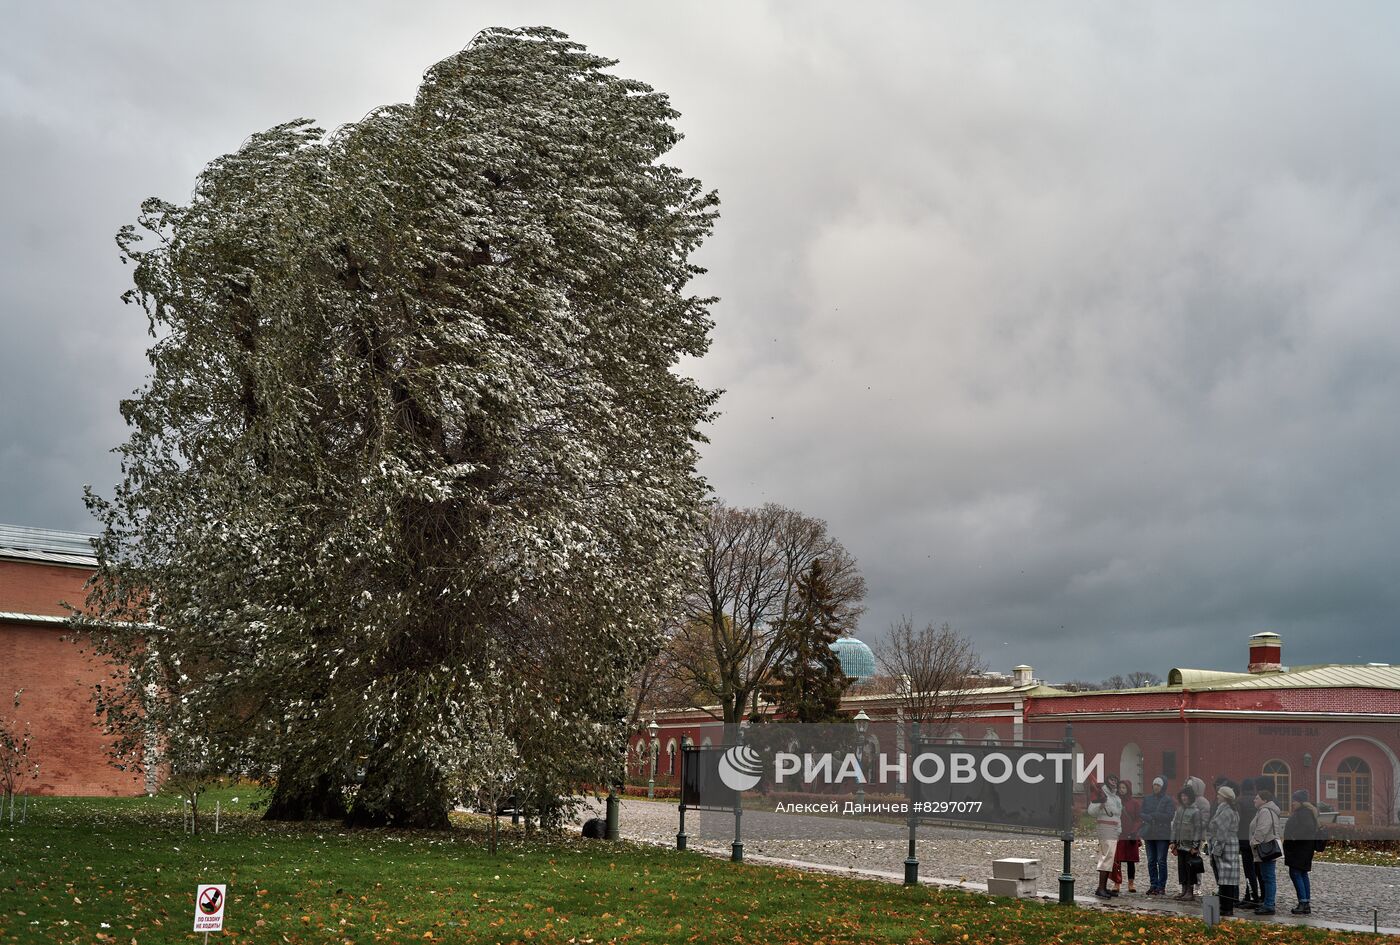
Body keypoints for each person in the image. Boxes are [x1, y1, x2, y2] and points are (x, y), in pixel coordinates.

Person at [1283, 789, 1319, 915]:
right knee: (1302, 874)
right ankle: (1305, 902)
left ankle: (1303, 903)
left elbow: (1306, 829)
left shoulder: (1304, 813)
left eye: (1295, 800)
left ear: (1300, 802)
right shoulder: (1306, 812)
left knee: (1296, 874)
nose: (1292, 803)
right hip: (1303, 849)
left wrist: (1294, 837)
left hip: (1299, 850)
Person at [1087, 775, 1123, 899]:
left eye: (1115, 780)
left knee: (1109, 859)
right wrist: (1100, 806)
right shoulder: (1101, 796)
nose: (1114, 782)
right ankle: (1101, 887)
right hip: (1104, 828)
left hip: (1113, 829)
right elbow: (1091, 811)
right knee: (1105, 857)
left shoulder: (1117, 798)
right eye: (1111, 780)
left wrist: (1119, 829)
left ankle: (1103, 887)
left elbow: (1118, 815)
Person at [1207, 784, 1241, 915]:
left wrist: (1216, 849)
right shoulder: (1228, 809)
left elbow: (1222, 832)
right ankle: (1226, 906)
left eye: (1219, 794)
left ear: (1225, 797)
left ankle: (1226, 908)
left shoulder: (1226, 811)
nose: (1217, 796)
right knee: (1226, 878)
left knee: (1225, 878)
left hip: (1225, 845)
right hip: (1229, 844)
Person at [1250, 788, 1284, 915]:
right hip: (1267, 846)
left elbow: (1262, 829)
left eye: (1257, 798)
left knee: (1268, 877)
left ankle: (1269, 904)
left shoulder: (1265, 811)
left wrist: (1254, 842)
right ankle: (1268, 903)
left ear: (1264, 800)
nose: (1254, 800)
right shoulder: (1265, 810)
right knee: (1267, 877)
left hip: (1266, 847)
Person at [1140, 776, 1176, 896]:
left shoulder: (1168, 800)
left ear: (1163, 787)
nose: (1156, 787)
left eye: (1158, 785)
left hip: (1162, 834)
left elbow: (1169, 816)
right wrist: (1148, 817)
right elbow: (1141, 813)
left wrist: (1155, 815)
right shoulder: (1147, 799)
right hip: (1149, 833)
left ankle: (1161, 886)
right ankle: (1153, 884)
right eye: (1154, 784)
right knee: (1151, 860)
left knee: (1161, 861)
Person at [1169, 784, 1205, 901]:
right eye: (1182, 796)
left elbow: (1198, 829)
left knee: (1190, 869)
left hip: (1190, 846)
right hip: (1180, 845)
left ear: (1190, 797)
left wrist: (1195, 845)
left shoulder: (1196, 812)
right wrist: (1173, 841)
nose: (1184, 798)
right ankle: (1184, 890)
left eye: (1186, 796)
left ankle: (1190, 891)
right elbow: (1175, 827)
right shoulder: (1179, 810)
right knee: (1182, 869)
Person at [1112, 779, 1142, 893]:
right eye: (1120, 788)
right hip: (1119, 834)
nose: (1121, 790)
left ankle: (1131, 883)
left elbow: (1138, 819)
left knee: (1130, 861)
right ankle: (1117, 883)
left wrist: (1134, 831)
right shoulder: (1115, 801)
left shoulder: (1134, 803)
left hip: (1131, 835)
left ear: (1128, 789)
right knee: (1117, 860)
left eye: (1124, 788)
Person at [1237, 777, 1260, 905]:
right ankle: (1253, 895)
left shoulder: (1240, 801)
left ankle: (1251, 897)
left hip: (1245, 840)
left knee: (1248, 871)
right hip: (1256, 839)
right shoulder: (1257, 800)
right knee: (1256, 870)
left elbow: (1238, 821)